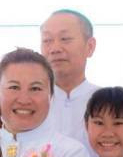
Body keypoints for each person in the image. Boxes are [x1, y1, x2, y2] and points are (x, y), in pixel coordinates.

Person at [40, 9, 99, 147]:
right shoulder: (30, 104)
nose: (55, 49)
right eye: (47, 40)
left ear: (90, 46)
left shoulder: (108, 102)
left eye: (65, 39)